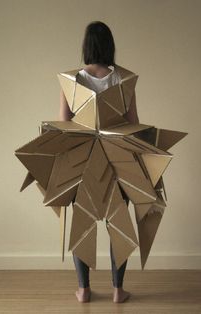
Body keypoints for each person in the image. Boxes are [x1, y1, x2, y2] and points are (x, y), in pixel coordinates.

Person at [59, 21, 139, 303]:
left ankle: (83, 289)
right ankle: (118, 290)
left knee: (82, 224)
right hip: (118, 161)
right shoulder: (123, 80)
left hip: (83, 162)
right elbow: (133, 126)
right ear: (109, 46)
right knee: (118, 225)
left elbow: (64, 126)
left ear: (87, 46)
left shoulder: (73, 80)